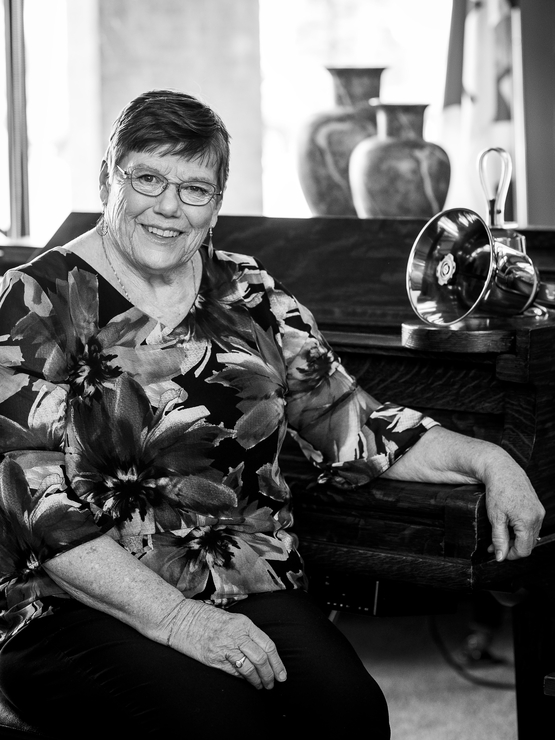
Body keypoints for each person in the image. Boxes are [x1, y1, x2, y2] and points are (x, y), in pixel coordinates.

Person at [0, 89, 544, 739]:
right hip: (76, 606)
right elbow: (39, 514)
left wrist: (491, 458)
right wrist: (178, 621)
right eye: (147, 178)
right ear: (107, 178)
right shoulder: (34, 300)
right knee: (225, 725)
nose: (169, 206)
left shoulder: (249, 292)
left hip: (245, 580)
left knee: (350, 717)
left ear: (216, 203)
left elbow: (352, 422)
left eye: (195, 188)